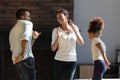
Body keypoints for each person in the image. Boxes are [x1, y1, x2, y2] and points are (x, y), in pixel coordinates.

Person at [51, 9, 84, 80]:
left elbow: (81, 43)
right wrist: (58, 37)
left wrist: (74, 29)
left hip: (72, 60)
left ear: (66, 16)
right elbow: (53, 49)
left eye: (60, 16)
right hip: (59, 60)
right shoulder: (56, 30)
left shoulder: (75, 28)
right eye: (57, 18)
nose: (59, 19)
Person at [9, 9, 41, 80]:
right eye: (28, 16)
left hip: (17, 60)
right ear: (22, 17)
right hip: (25, 59)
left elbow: (27, 45)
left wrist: (33, 38)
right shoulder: (28, 23)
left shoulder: (13, 29)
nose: (30, 18)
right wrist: (22, 55)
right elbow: (25, 38)